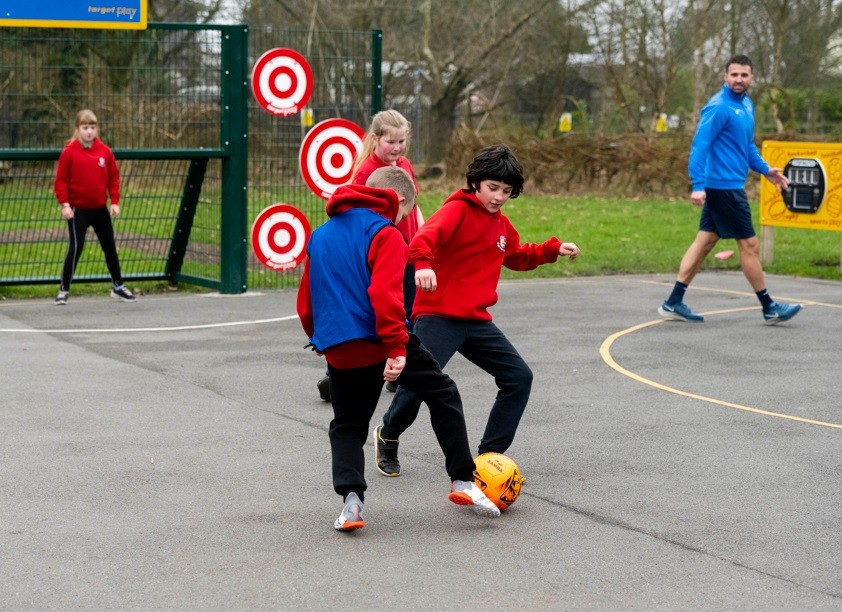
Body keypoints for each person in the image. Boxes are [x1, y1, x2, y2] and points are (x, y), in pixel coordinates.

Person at [297, 165, 501, 532]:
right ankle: (463, 480)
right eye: (406, 212)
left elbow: (307, 300)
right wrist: (397, 349)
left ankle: (352, 503)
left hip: (339, 348)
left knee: (347, 425)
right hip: (381, 342)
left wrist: (319, 337)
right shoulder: (385, 233)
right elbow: (385, 296)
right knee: (442, 392)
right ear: (399, 201)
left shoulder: (320, 235)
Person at [372, 144, 580, 477]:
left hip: (475, 320)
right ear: (476, 183)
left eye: (506, 191)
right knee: (418, 387)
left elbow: (516, 256)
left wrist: (552, 249)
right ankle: (389, 432)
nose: (498, 196)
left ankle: (490, 458)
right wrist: (423, 266)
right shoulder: (457, 210)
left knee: (518, 378)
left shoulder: (501, 225)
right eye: (493, 188)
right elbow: (423, 239)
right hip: (438, 314)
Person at [657, 54, 800, 325]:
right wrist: (698, 185)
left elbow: (745, 147)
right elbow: (700, 145)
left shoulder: (746, 105)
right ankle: (769, 307)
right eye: (733, 75)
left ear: (752, 78)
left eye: (744, 75)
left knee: (704, 243)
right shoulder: (719, 107)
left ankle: (673, 301)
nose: (739, 79)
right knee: (749, 244)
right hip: (723, 188)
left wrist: (767, 171)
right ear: (725, 77)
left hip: (729, 185)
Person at [316, 109, 423, 401]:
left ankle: (398, 369)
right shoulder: (367, 173)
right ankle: (339, 374)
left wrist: (423, 240)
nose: (397, 147)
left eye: (402, 141)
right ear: (375, 139)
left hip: (408, 250)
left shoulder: (404, 166)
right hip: (383, 253)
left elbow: (414, 206)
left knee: (412, 311)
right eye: (391, 141)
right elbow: (357, 221)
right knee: (384, 308)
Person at [53, 109, 135, 305]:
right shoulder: (69, 152)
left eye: (92, 127)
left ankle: (118, 287)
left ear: (97, 129)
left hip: (100, 210)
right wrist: (65, 204)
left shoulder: (105, 152)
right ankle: (63, 290)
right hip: (78, 211)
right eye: (84, 127)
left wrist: (114, 201)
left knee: (110, 248)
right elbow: (60, 181)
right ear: (77, 129)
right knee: (76, 248)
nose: (89, 131)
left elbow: (114, 177)